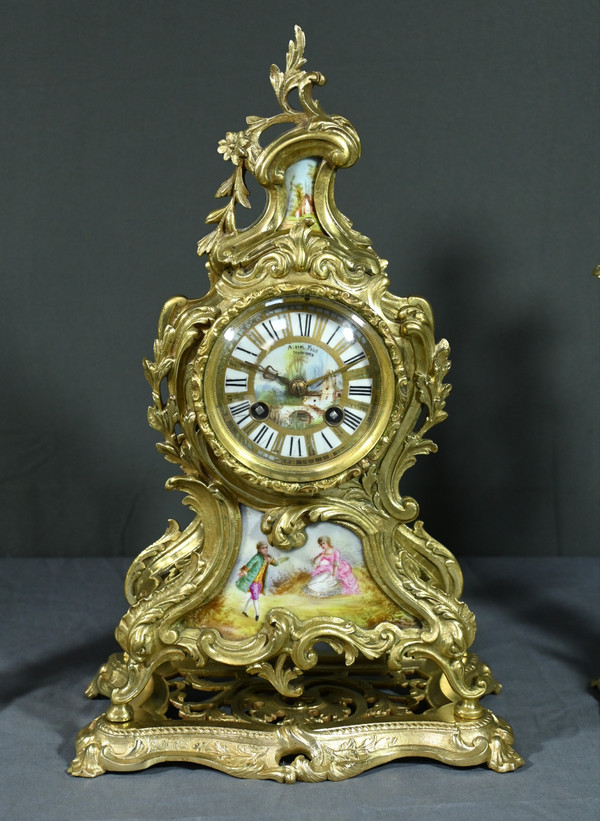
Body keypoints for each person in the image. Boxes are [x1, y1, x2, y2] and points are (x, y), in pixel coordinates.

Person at [236, 541, 279, 621]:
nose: (265, 549)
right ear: (259, 549)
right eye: (263, 548)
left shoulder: (267, 557)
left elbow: (276, 564)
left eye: (266, 547)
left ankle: (245, 611)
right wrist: (243, 572)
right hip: (253, 581)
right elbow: (249, 564)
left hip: (260, 582)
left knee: (253, 597)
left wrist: (271, 560)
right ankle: (257, 614)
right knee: (256, 598)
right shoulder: (257, 557)